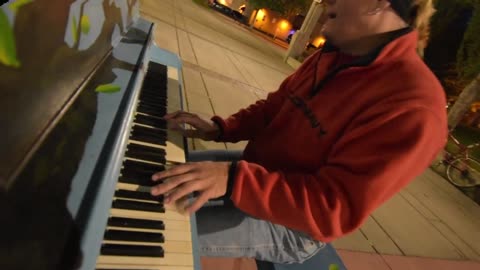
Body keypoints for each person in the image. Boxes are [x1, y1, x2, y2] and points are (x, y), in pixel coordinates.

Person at [150, 0, 447, 264]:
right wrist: (221, 128)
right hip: (254, 174)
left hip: (293, 227)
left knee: (153, 222)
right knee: (148, 173)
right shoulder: (336, 53)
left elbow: (333, 209)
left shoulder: (413, 105)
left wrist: (233, 178)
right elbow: (274, 107)